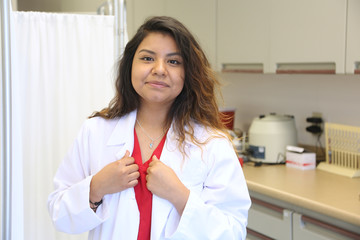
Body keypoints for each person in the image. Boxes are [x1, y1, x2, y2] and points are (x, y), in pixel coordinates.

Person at [47, 16, 251, 240]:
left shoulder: (212, 143)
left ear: (188, 73)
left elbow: (233, 233)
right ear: (130, 66)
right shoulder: (96, 131)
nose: (159, 69)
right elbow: (59, 214)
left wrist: (179, 196)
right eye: (147, 58)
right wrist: (96, 187)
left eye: (173, 61)